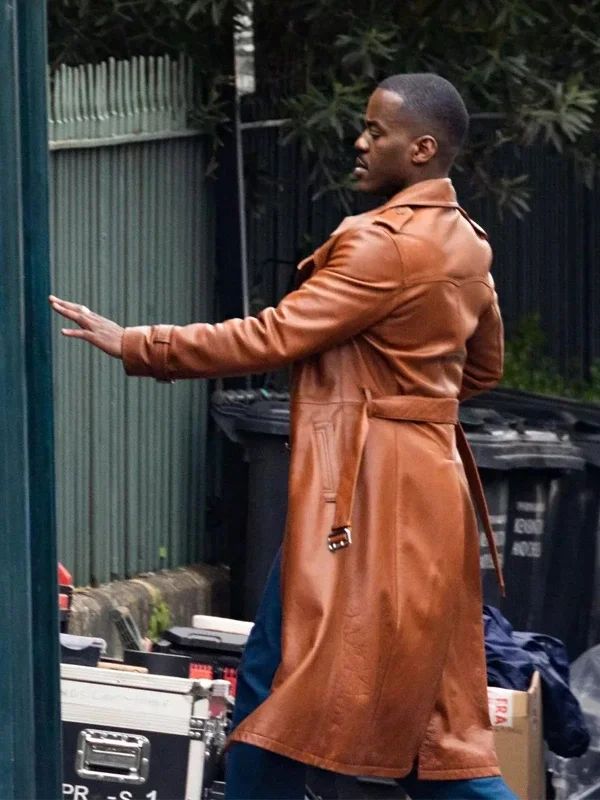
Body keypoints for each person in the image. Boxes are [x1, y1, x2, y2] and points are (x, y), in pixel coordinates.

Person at [50, 73, 517, 800]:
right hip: (427, 487)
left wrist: (138, 342)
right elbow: (481, 367)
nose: (359, 142)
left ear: (422, 149)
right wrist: (405, 394)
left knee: (310, 688)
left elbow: (270, 336)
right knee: (418, 710)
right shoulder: (466, 242)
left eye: (376, 132)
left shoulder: (382, 245)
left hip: (365, 493)